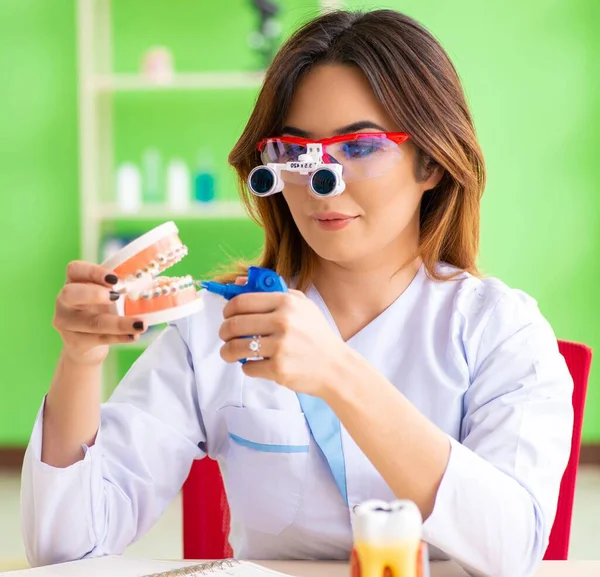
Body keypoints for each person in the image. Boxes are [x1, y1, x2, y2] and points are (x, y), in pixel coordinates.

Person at [21, 9, 573, 577]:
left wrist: (337, 373)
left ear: (430, 160)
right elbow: (68, 553)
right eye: (295, 152)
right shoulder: (218, 323)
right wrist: (81, 360)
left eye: (359, 147)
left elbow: (512, 549)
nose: (320, 183)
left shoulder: (500, 329)